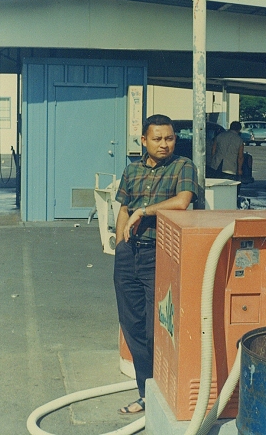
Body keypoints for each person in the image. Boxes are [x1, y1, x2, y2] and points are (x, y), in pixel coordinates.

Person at [114, 114, 198, 415]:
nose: (165, 144)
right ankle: (146, 391)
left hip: (159, 255)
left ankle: (164, 392)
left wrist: (144, 212)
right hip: (128, 255)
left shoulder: (183, 166)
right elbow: (124, 207)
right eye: (158, 139)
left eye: (170, 138)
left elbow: (183, 200)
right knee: (132, 326)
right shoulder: (132, 170)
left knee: (156, 328)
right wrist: (119, 244)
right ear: (144, 141)